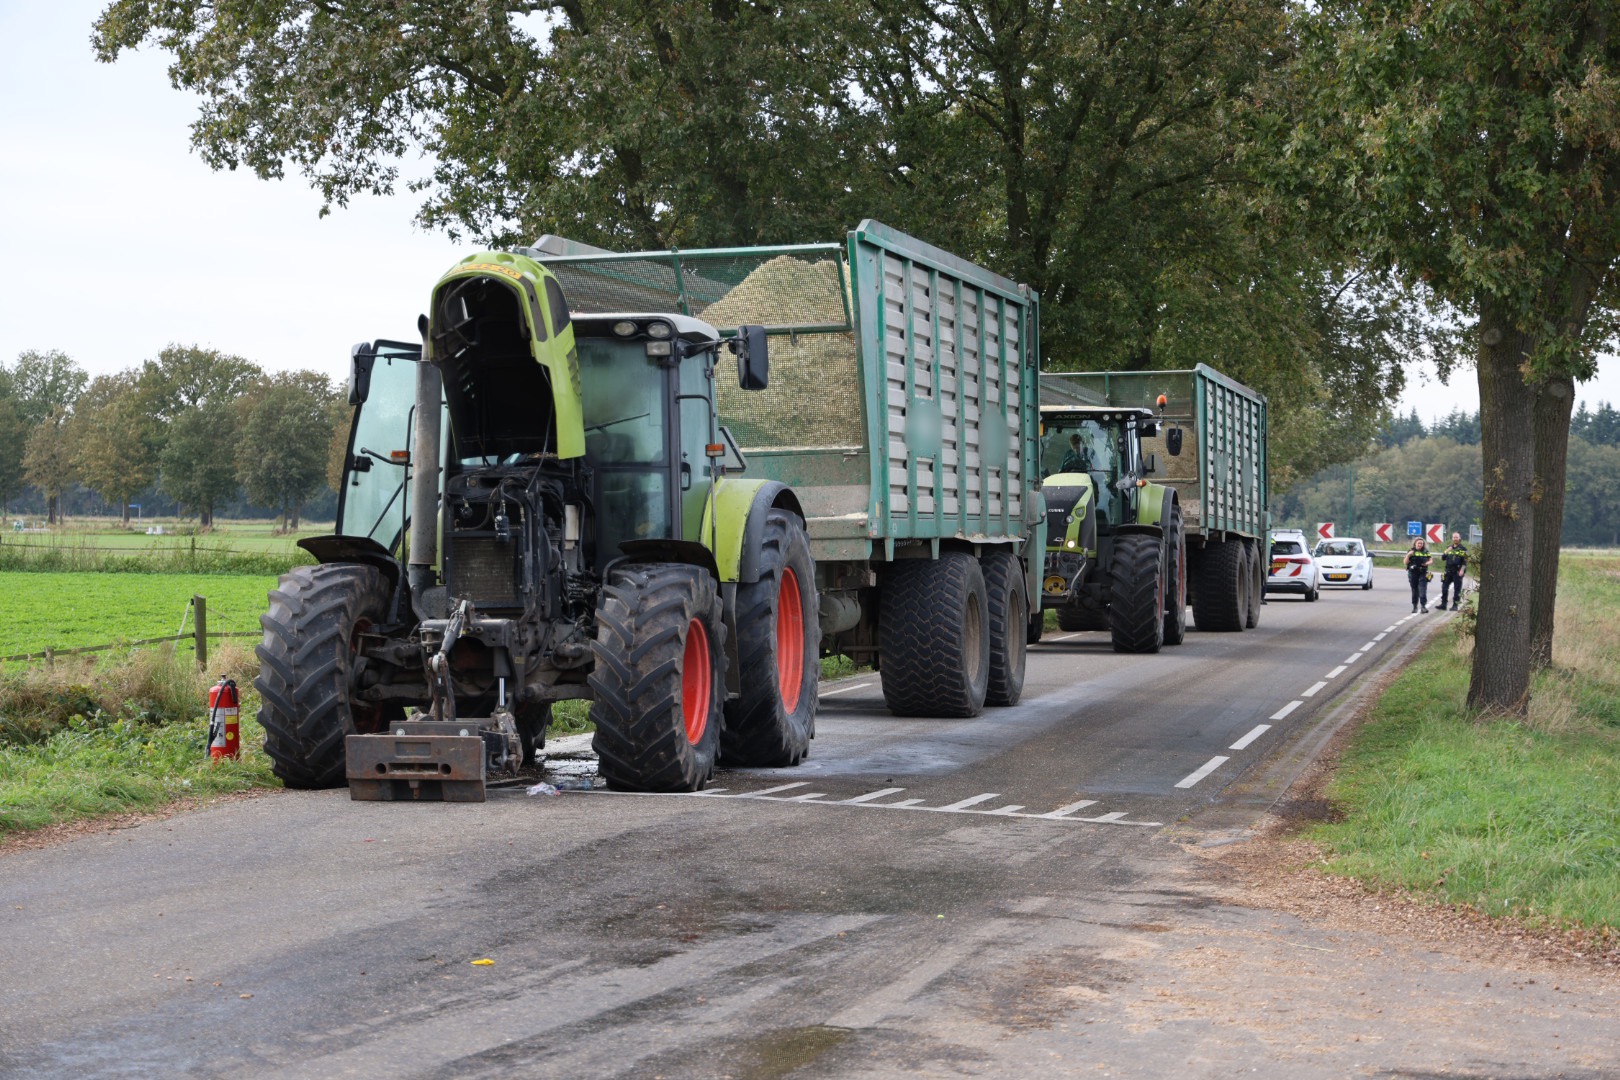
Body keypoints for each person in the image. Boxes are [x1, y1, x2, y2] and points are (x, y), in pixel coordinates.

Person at [1440, 531, 1468, 611]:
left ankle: (1455, 605)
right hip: (1448, 572)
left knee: (1457, 590)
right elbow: (1443, 558)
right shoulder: (1449, 548)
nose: (1455, 538)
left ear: (1459, 538)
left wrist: (1462, 570)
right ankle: (1443, 604)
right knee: (1444, 588)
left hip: (1457, 572)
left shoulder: (1463, 549)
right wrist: (1447, 551)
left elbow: (1465, 561)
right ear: (1452, 538)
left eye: (1457, 537)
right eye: (1454, 537)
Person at [1405, 537, 1433, 613]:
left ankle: (1423, 607)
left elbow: (1431, 560)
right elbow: (1405, 562)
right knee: (1414, 591)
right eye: (1418, 543)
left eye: (1421, 543)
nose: (1420, 544)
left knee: (1422, 590)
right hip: (1413, 573)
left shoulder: (1426, 551)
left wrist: (1427, 563)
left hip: (1423, 572)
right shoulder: (1411, 551)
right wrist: (1408, 555)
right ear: (1415, 544)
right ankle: (1415, 607)